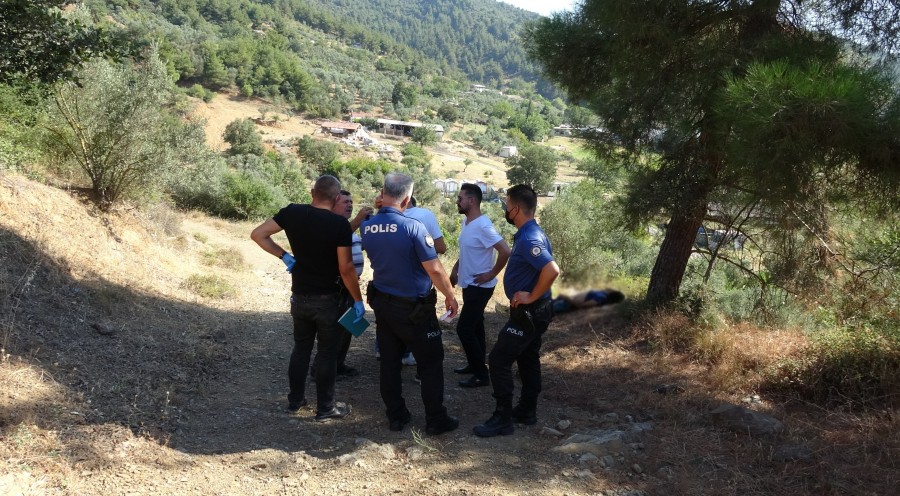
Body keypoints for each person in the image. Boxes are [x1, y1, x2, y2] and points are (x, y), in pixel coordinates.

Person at [250, 175, 365, 422]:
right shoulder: (339, 225)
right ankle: (325, 408)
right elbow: (346, 268)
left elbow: (258, 234)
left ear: (313, 192)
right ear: (336, 197)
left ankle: (295, 401)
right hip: (329, 299)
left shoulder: (292, 212)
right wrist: (357, 299)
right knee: (327, 353)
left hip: (300, 295)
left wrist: (283, 255)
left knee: (301, 349)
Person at [361, 172, 460, 435]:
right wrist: (450, 295)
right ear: (407, 200)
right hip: (415, 309)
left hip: (384, 305)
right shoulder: (413, 227)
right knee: (431, 362)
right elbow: (435, 269)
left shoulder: (367, 226)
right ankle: (436, 419)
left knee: (390, 362)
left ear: (382, 194)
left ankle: (396, 416)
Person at [473, 184, 560, 437]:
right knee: (527, 357)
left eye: (507, 205)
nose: (505, 209)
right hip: (533, 311)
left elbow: (551, 270)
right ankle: (526, 411)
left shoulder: (531, 237)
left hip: (531, 312)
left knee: (499, 359)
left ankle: (503, 418)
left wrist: (531, 295)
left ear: (516, 209)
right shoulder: (527, 233)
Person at [449, 183, 511, 388]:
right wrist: (456, 269)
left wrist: (491, 274)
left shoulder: (483, 225)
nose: (457, 201)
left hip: (480, 287)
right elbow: (467, 250)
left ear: (472, 200)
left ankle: (482, 375)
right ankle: (474, 365)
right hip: (469, 283)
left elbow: (505, 251)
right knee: (476, 326)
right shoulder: (468, 222)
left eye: (460, 198)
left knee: (464, 329)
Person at [311, 190, 373, 378]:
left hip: (349, 286)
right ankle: (320, 370)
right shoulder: (331, 225)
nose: (350, 205)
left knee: (346, 329)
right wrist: (359, 220)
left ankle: (338, 364)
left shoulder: (345, 226)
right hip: (337, 287)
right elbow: (337, 240)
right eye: (345, 202)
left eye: (351, 202)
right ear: (334, 203)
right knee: (334, 331)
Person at [390, 195, 446, 367]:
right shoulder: (425, 215)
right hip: (418, 283)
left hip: (388, 285)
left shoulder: (381, 218)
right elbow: (441, 247)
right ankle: (419, 365)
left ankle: (389, 353)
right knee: (419, 323)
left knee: (391, 322)